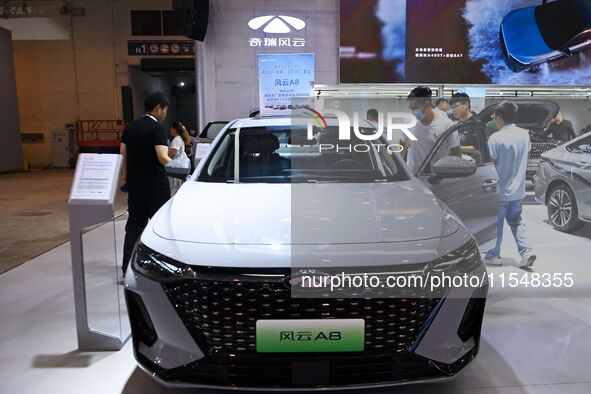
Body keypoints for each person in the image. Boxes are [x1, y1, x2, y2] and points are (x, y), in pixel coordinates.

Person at [120, 92, 172, 274]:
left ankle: (127, 266)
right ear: (158, 108)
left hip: (135, 185)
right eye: (164, 110)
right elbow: (162, 157)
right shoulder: (158, 128)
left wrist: (126, 179)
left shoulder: (130, 128)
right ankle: (161, 267)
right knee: (160, 227)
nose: (165, 114)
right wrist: (175, 158)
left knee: (134, 226)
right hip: (156, 186)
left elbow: (123, 155)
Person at [484, 101, 536, 268]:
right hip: (518, 191)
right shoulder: (524, 134)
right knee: (516, 221)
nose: (494, 120)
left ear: (500, 118)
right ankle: (526, 251)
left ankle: (494, 255)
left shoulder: (496, 138)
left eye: (494, 117)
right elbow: (526, 156)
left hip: (500, 191)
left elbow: (489, 164)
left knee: (496, 224)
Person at [402, 86, 458, 173]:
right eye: (411, 108)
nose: (412, 112)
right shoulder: (408, 121)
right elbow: (402, 146)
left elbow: (456, 153)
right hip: (414, 176)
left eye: (415, 108)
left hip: (439, 177)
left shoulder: (447, 124)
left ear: (427, 104)